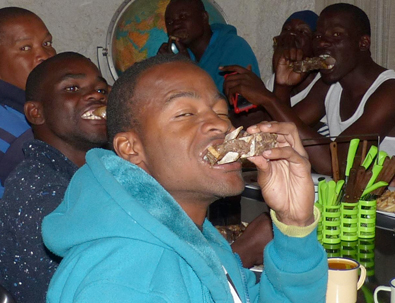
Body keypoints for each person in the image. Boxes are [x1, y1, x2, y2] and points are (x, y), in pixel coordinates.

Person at [42, 54, 328, 302]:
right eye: (185, 113)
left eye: (221, 111)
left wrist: (294, 227)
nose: (220, 123)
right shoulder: (129, 281)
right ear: (131, 149)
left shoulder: (190, 234)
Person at [224, 3, 395, 184]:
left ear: (363, 43)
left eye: (335, 35)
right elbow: (278, 135)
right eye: (318, 36)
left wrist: (268, 98)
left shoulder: (392, 93)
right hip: (358, 198)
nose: (322, 43)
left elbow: (335, 164)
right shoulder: (330, 87)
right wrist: (282, 86)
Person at [0, 52, 109, 303]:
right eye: (72, 87)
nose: (96, 96)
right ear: (36, 113)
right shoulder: (38, 188)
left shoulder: (99, 174)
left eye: (102, 90)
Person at [0, 7, 56, 197]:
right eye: (25, 48)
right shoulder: (9, 131)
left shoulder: (45, 106)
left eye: (47, 43)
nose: (45, 55)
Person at [157, 0, 260, 93]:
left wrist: (189, 68)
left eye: (183, 17)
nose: (175, 26)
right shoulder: (184, 56)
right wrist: (164, 70)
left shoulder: (233, 47)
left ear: (204, 17)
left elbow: (235, 109)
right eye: (170, 22)